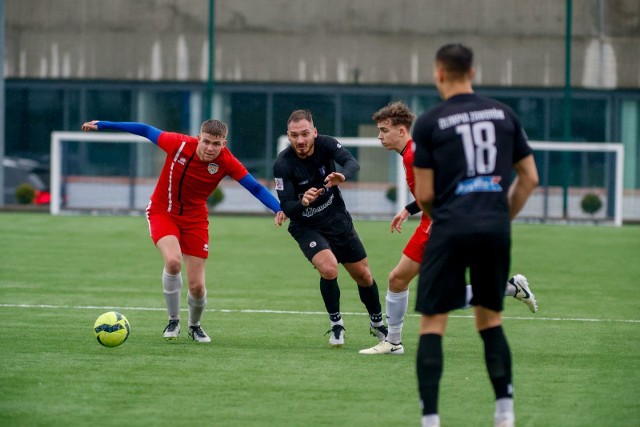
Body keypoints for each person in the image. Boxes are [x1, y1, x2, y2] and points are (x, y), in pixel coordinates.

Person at [412, 44, 539, 427]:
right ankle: (504, 413)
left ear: (438, 73)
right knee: (490, 321)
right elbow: (530, 178)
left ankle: (431, 419)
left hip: (450, 227)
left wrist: (450, 218)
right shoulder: (504, 114)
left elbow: (426, 194)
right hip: (494, 227)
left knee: (434, 322)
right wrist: (501, 215)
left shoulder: (430, 121)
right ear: (473, 72)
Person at [81, 119, 286, 343]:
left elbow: (254, 186)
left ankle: (194, 326)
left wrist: (278, 208)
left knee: (197, 287)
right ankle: (173, 320)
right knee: (173, 262)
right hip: (162, 211)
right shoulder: (177, 144)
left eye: (216, 144)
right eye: (206, 141)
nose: (210, 148)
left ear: (223, 144)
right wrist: (104, 125)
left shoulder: (226, 161)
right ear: (199, 138)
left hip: (195, 218)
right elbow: (146, 130)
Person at [359, 101, 537, 356]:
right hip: (434, 222)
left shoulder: (413, 155)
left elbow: (443, 188)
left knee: (435, 293)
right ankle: (393, 342)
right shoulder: (411, 152)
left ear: (401, 130)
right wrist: (408, 209)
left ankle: (508, 288)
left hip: (439, 224)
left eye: (384, 130)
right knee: (399, 279)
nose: (379, 136)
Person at [272, 109, 387, 348]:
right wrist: (303, 202)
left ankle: (377, 323)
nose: (300, 140)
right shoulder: (283, 164)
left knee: (363, 276)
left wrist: (342, 176)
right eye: (294, 135)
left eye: (305, 134)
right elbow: (287, 206)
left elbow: (352, 163)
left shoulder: (326, 144)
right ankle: (336, 324)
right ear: (288, 136)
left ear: (314, 132)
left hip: (337, 220)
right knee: (329, 268)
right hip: (307, 226)